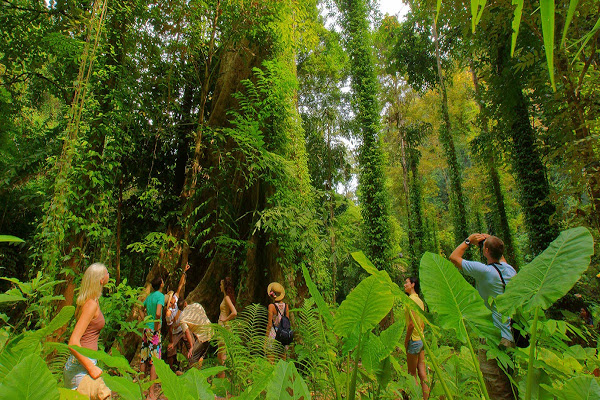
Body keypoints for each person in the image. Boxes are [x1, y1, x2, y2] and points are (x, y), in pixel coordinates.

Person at [449, 233, 517, 400]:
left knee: (497, 387)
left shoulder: (485, 272)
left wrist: (468, 241)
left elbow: (454, 257)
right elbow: (502, 259)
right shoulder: (510, 270)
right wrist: (491, 240)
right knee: (511, 382)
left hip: (493, 337)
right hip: (513, 334)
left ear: (485, 251)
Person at [64, 263, 111, 400]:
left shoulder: (90, 302)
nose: (109, 275)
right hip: (81, 367)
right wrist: (91, 368)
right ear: (101, 279)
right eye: (107, 272)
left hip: (84, 363)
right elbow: (73, 342)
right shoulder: (90, 305)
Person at [403, 277, 429, 400]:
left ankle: (416, 397)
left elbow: (412, 324)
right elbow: (422, 323)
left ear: (413, 284)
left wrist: (406, 340)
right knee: (422, 373)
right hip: (421, 339)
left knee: (412, 374)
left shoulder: (411, 301)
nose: (404, 285)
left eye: (407, 282)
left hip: (413, 340)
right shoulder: (420, 301)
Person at [141, 275, 165, 400]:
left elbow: (141, 307)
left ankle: (142, 389)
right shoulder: (160, 296)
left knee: (144, 357)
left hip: (146, 329)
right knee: (155, 360)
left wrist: (144, 320)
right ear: (161, 284)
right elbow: (158, 312)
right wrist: (156, 326)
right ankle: (151, 392)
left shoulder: (149, 296)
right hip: (154, 331)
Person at [165, 263, 191, 369]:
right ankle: (172, 368)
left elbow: (180, 286)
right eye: (170, 298)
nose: (173, 298)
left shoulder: (175, 299)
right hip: (175, 331)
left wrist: (184, 272)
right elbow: (170, 329)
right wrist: (172, 341)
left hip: (183, 327)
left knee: (190, 344)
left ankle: (191, 365)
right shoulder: (168, 313)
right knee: (170, 350)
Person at [217, 277, 237, 377]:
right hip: (222, 327)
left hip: (223, 327)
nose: (220, 286)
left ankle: (222, 379)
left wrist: (225, 320)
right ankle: (220, 377)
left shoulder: (226, 298)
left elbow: (234, 312)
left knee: (222, 354)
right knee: (219, 354)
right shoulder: (225, 297)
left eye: (221, 284)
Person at [265, 282, 289, 361]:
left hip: (273, 334)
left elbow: (269, 324)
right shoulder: (286, 306)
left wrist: (265, 340)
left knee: (270, 363)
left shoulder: (271, 306)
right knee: (282, 362)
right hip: (283, 335)